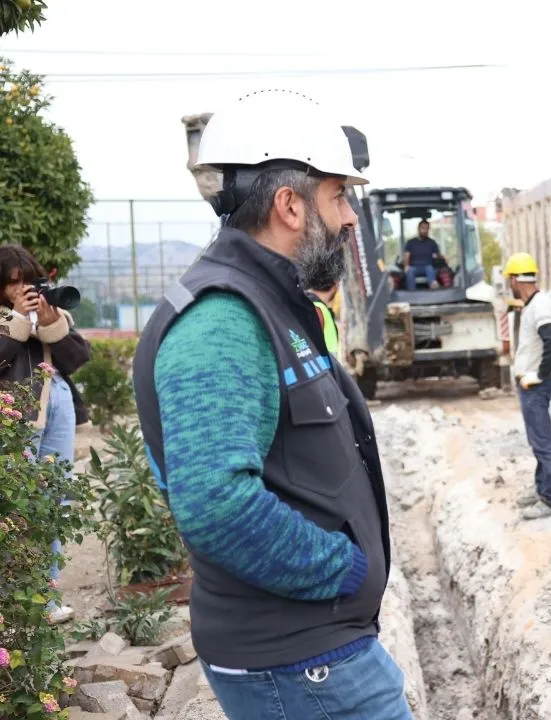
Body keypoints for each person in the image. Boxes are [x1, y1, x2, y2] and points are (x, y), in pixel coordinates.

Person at [131, 89, 411, 720]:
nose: (348, 218)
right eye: (338, 195)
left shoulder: (270, 302)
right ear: (290, 204)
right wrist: (344, 571)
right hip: (302, 667)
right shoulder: (223, 321)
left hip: (315, 655)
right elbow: (215, 504)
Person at [0, 244, 91, 625]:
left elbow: (77, 358)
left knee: (54, 502)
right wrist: (17, 321)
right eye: (13, 284)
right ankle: (16, 600)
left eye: (30, 283)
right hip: (16, 415)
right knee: (17, 508)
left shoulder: (49, 313)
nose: (24, 291)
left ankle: (49, 600)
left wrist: (51, 321)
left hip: (58, 405)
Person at [503, 251, 551, 520]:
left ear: (516, 279)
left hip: (535, 386)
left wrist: (539, 374)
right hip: (530, 384)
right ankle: (542, 487)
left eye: (509, 280)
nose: (509, 285)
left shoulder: (539, 306)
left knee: (543, 442)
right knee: (537, 439)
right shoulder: (533, 304)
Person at [402, 220, 441, 289]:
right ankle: (412, 293)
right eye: (423, 228)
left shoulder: (432, 242)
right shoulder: (411, 242)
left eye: (427, 228)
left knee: (430, 269)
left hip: (428, 266)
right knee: (409, 271)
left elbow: (437, 255)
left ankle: (433, 286)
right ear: (419, 229)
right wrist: (406, 266)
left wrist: (439, 257)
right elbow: (406, 255)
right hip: (414, 267)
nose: (425, 230)